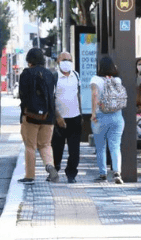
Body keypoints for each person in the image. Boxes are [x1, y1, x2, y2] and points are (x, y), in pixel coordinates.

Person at [18, 47, 58, 184]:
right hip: (48, 116)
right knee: (45, 145)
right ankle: (50, 166)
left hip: (30, 116)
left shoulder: (26, 74)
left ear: (29, 61)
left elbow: (22, 95)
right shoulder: (50, 74)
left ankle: (30, 176)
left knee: (30, 146)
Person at [90, 56, 125, 184]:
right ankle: (117, 173)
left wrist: (93, 114)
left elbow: (94, 95)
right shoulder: (117, 80)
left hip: (101, 116)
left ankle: (103, 174)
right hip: (117, 116)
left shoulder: (96, 79)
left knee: (101, 147)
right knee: (115, 146)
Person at [52, 51, 82, 183]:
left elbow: (78, 95)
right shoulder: (54, 77)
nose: (67, 62)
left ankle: (71, 174)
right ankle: (55, 170)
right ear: (58, 60)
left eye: (70, 59)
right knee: (57, 149)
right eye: (64, 59)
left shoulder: (76, 75)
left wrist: (80, 113)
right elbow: (51, 99)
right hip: (59, 119)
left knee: (74, 150)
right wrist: (58, 117)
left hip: (75, 117)